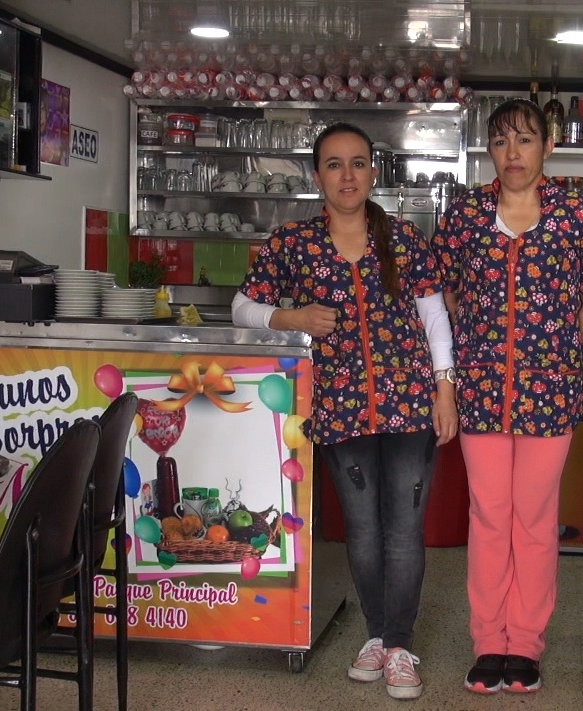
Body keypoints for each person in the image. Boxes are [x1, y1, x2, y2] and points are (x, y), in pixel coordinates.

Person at [233, 122, 458, 700]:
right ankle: (376, 636)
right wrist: (291, 317)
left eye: (358, 163)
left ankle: (400, 645)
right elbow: (242, 307)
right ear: (318, 176)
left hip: (410, 404)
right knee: (362, 530)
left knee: (404, 530)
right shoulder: (294, 243)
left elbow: (434, 316)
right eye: (334, 164)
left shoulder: (404, 239)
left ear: (373, 172)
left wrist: (445, 387)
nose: (348, 175)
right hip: (341, 408)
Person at [430, 98, 583, 694]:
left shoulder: (578, 215)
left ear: (547, 146)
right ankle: (489, 641)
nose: (513, 153)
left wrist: (555, 351)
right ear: (489, 149)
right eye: (502, 140)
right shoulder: (465, 216)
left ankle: (526, 644)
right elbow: (446, 292)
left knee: (534, 518)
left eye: (526, 139)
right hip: (482, 391)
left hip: (549, 393)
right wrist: (474, 344)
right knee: (488, 516)